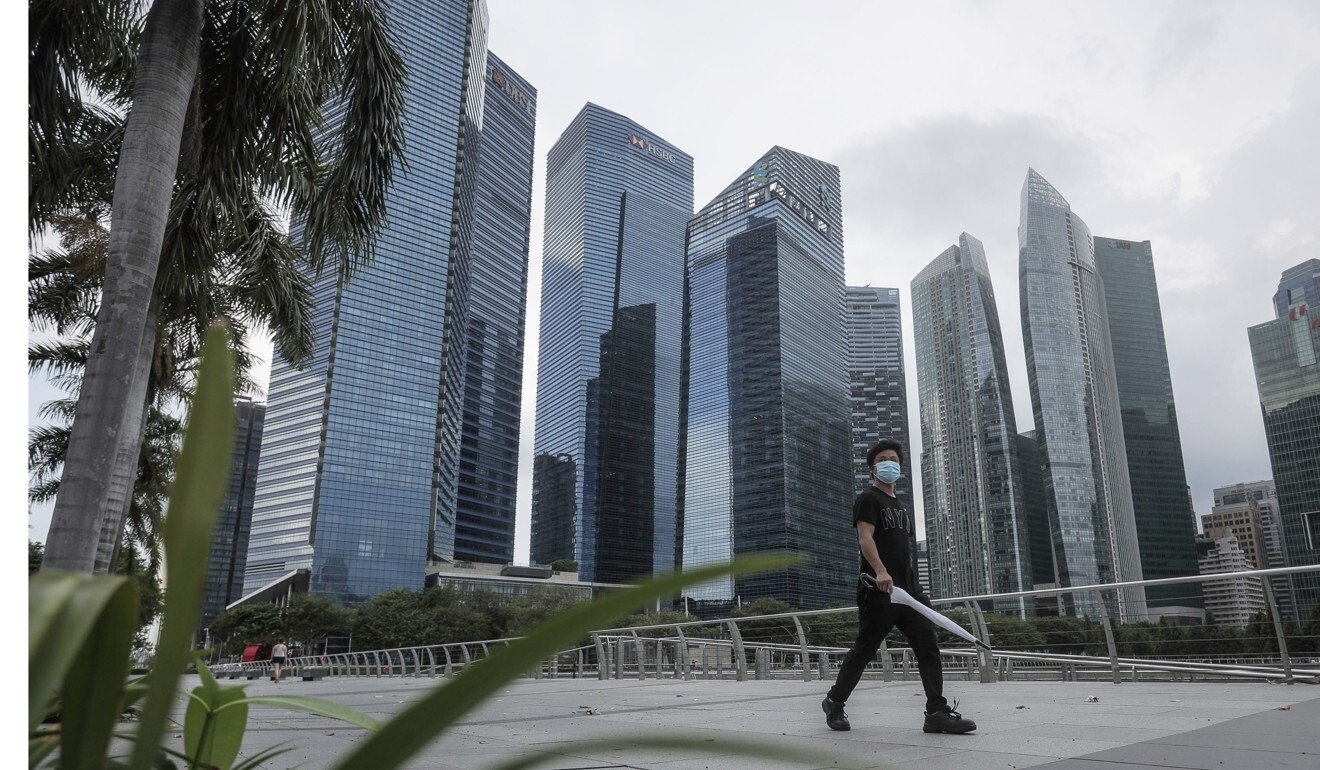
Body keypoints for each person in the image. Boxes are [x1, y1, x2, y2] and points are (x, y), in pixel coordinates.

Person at [822, 439, 975, 734]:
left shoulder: (902, 507)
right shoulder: (868, 499)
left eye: (893, 458)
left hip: (910, 593)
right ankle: (835, 701)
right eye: (882, 459)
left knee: (928, 646)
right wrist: (880, 571)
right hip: (878, 589)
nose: (889, 462)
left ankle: (937, 712)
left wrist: (914, 586)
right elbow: (865, 538)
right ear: (872, 468)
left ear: (900, 467)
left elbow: (902, 550)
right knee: (865, 650)